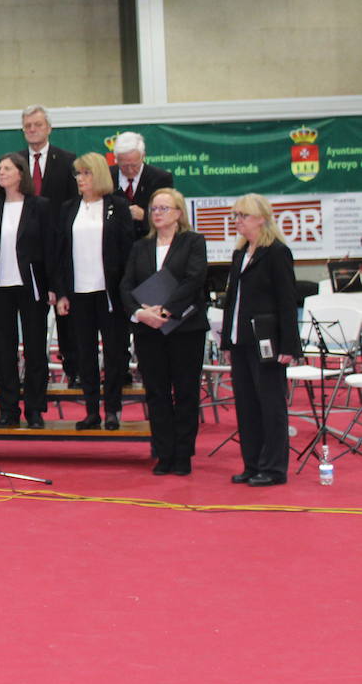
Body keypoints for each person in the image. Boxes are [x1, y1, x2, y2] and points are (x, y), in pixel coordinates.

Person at [119, 188, 209, 476]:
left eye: (164, 208)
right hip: (148, 330)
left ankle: (183, 454)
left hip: (184, 329)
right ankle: (163, 452)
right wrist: (140, 313)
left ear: (179, 213)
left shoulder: (193, 242)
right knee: (156, 393)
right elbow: (126, 285)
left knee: (185, 392)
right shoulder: (140, 246)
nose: (157, 213)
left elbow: (194, 279)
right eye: (154, 208)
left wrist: (167, 310)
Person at [220, 193, 301, 487]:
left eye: (243, 216)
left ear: (262, 218)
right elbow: (233, 301)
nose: (237, 221)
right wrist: (227, 342)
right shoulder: (241, 253)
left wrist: (289, 345)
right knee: (247, 405)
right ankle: (252, 463)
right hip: (241, 339)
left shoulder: (276, 252)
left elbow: (287, 301)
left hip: (267, 340)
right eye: (236, 216)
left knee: (270, 405)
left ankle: (274, 467)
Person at [55, 153, 135, 430]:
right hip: (79, 292)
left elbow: (128, 253)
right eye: (77, 174)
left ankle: (112, 409)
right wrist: (62, 293)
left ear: (98, 175)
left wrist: (127, 292)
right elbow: (61, 255)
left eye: (86, 174)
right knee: (84, 353)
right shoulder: (68, 208)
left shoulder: (117, 207)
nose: (80, 179)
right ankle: (91, 410)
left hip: (109, 292)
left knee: (113, 353)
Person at [0, 153, 54, 429]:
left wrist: (53, 287)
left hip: (32, 286)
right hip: (0, 288)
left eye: (7, 168)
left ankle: (35, 410)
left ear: (20, 173)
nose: (1, 173)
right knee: (4, 352)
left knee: (35, 350)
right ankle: (8, 410)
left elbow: (50, 248)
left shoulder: (39, 206)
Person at [22, 105, 80, 389]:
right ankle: (36, 373)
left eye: (37, 125)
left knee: (66, 311)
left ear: (48, 128)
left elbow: (72, 205)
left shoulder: (68, 161)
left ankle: (73, 367)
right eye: (27, 126)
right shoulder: (15, 162)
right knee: (31, 319)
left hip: (59, 249)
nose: (32, 129)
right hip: (27, 254)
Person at [111, 131, 175, 238]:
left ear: (143, 156)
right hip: (116, 242)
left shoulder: (161, 178)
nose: (130, 170)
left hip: (148, 241)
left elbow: (169, 214)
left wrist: (145, 216)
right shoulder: (107, 176)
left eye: (134, 165)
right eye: (124, 166)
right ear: (116, 159)